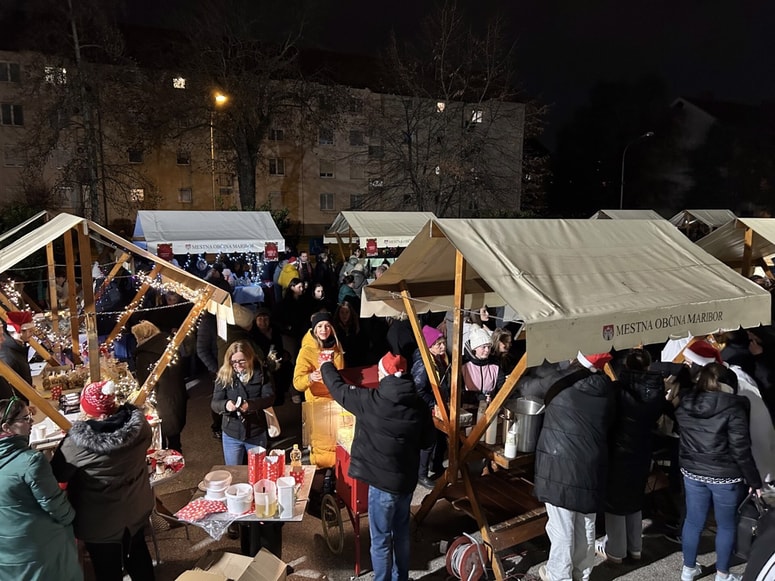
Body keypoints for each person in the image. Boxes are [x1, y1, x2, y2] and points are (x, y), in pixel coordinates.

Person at [321, 352, 433, 581]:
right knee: (401, 533)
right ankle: (400, 577)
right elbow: (427, 441)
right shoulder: (419, 404)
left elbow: (338, 389)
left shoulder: (371, 401)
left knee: (381, 538)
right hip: (406, 483)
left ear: (383, 375)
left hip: (381, 486)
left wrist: (326, 364)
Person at [51, 380, 156, 581]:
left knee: (107, 569)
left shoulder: (76, 444)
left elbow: (58, 473)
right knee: (138, 555)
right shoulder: (140, 427)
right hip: (135, 507)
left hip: (100, 520)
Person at [675, 362, 763, 581]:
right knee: (726, 525)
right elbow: (741, 449)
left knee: (693, 522)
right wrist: (755, 481)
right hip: (726, 476)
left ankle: (688, 570)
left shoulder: (685, 403)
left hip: (692, 472)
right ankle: (723, 574)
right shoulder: (734, 407)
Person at [534, 351, 615, 581]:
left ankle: (558, 575)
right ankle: (582, 572)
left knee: (562, 526)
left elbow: (532, 388)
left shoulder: (560, 381)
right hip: (591, 466)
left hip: (559, 465)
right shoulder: (607, 390)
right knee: (585, 523)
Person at [595, 348, 666, 564]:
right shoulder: (656, 392)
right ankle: (635, 547)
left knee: (615, 501)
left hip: (619, 449)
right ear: (648, 366)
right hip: (643, 449)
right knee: (635, 498)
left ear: (626, 366)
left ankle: (616, 550)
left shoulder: (618, 390)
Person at [0, 397, 82, 581]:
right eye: (25, 419)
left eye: (30, 416)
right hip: (39, 549)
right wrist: (73, 518)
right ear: (6, 427)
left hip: (7, 551)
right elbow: (56, 506)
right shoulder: (31, 461)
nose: (31, 423)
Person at [292, 311, 345, 468]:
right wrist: (309, 378)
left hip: (337, 402)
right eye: (320, 326)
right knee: (323, 450)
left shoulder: (336, 347)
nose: (324, 329)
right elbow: (297, 382)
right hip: (319, 405)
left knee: (339, 445)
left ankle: (335, 479)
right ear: (314, 329)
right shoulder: (307, 351)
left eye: (328, 326)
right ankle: (322, 481)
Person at [211, 341, 275, 465]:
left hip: (256, 431)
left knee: (258, 472)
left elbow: (270, 398)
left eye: (242, 361)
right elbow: (215, 403)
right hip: (231, 433)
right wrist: (226, 405)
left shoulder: (262, 373)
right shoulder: (224, 375)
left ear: (250, 358)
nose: (238, 366)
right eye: (234, 362)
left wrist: (250, 405)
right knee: (233, 471)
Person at [132, 320, 187, 452]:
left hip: (157, 397)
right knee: (174, 429)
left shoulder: (144, 354)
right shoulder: (169, 346)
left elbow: (144, 382)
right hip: (176, 392)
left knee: (159, 432)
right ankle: (176, 453)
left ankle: (163, 460)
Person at [411, 325, 451, 488]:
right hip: (427, 408)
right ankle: (421, 474)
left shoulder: (438, 359)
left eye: (442, 342)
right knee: (428, 442)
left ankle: (436, 465)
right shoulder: (423, 364)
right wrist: (433, 404)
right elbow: (419, 389)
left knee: (440, 438)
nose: (442, 346)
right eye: (438, 344)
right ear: (429, 346)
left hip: (437, 406)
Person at [462, 326, 504, 404]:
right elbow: (460, 391)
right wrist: (480, 397)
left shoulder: (495, 365)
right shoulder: (464, 366)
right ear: (475, 348)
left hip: (490, 406)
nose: (487, 350)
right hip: (468, 407)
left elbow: (501, 387)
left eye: (489, 347)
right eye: (483, 347)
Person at [0, 310, 35, 402]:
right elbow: (9, 390)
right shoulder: (8, 356)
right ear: (19, 331)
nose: (32, 334)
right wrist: (21, 408)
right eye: (30, 331)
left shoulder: (18, 348)